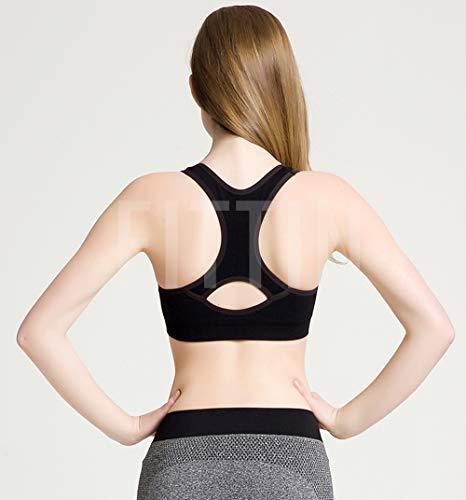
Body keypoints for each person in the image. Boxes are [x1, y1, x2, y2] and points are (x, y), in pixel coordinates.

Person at [17, 5, 455, 500]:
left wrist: (127, 426)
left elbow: (38, 331)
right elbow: (434, 328)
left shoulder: (151, 198)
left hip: (181, 463)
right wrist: (345, 420)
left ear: (195, 89)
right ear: (281, 86)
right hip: (291, 463)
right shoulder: (327, 199)